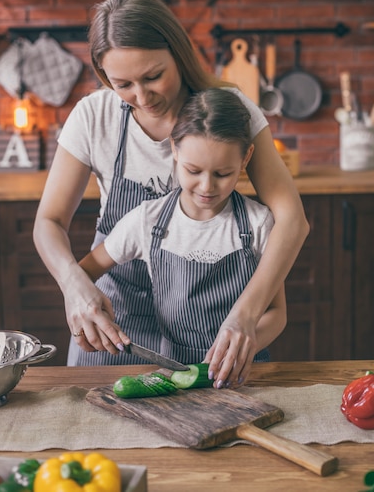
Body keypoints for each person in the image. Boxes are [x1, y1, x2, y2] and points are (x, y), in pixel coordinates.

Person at [33, 0, 309, 388]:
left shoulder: (226, 111)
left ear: (178, 53)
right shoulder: (94, 116)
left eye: (153, 76)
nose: (142, 98)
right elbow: (49, 220)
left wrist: (247, 314)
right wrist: (73, 285)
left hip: (210, 324)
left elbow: (292, 221)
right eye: (122, 83)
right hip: (116, 320)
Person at [78, 88, 286, 386]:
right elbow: (84, 271)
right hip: (170, 376)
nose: (206, 186)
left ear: (246, 159)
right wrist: (88, 310)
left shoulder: (259, 223)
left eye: (223, 173)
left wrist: (243, 344)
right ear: (174, 149)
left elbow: (277, 313)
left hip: (244, 374)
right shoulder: (146, 221)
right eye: (193, 170)